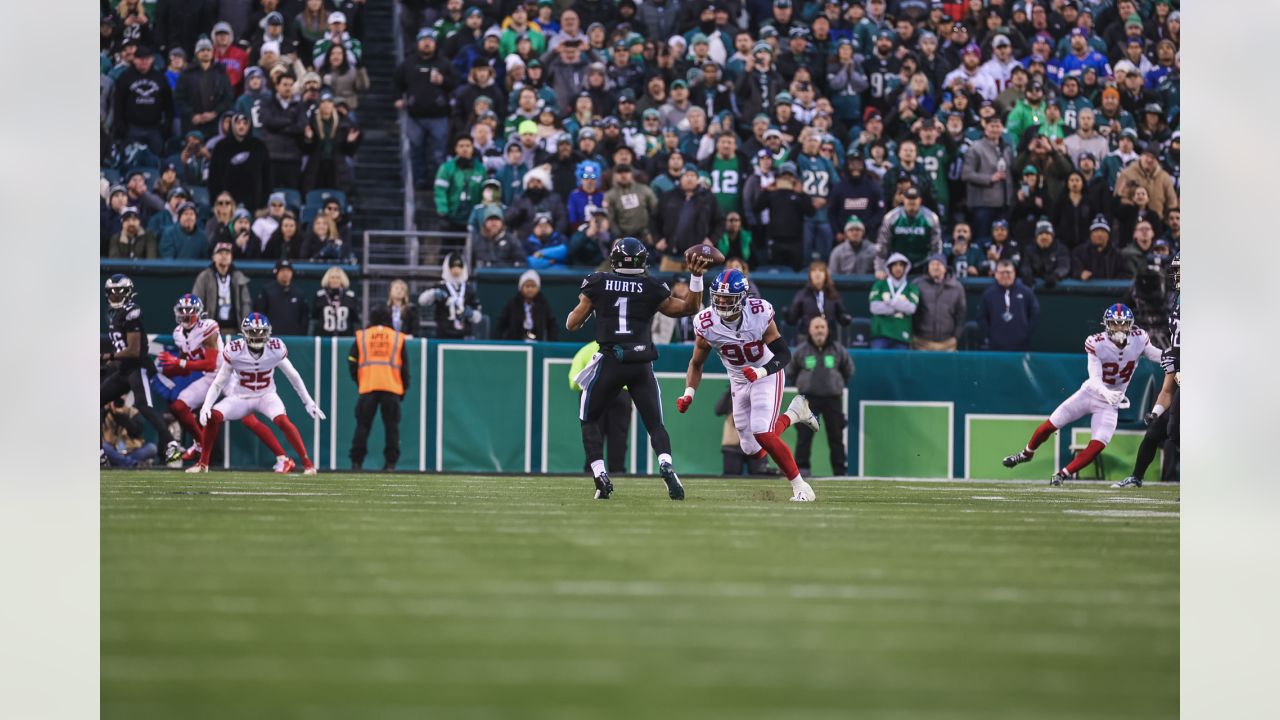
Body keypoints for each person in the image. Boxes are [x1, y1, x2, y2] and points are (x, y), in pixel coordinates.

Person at [565, 237, 711, 500]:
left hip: (610, 361)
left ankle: (600, 475)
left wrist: (590, 304)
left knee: (589, 419)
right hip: (641, 363)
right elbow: (690, 307)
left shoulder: (598, 282)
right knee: (655, 424)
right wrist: (696, 277)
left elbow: (572, 324)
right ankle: (666, 463)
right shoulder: (652, 286)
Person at [676, 268, 821, 502]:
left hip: (765, 373)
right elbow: (696, 362)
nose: (721, 302)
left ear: (741, 298)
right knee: (754, 450)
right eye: (718, 297)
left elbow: (784, 355)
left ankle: (801, 486)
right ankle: (795, 413)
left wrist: (760, 371)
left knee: (762, 431)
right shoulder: (706, 323)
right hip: (738, 380)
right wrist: (689, 393)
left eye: (727, 298)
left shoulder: (759, 313)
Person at [1003, 304, 1163, 486]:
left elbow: (1157, 355)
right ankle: (1026, 453)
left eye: (1123, 324)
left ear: (1130, 325)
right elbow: (1094, 378)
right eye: (1115, 324)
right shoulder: (1097, 342)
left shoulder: (1139, 338)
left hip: (1110, 404)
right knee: (1051, 424)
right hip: (1090, 393)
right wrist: (1106, 392)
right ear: (1107, 324)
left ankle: (1062, 475)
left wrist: (1175, 355)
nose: (1119, 328)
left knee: (1098, 444)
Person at [155, 294, 295, 470]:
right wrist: (170, 367)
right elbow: (186, 365)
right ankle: (200, 444)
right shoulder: (178, 334)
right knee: (179, 407)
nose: (185, 316)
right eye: (182, 312)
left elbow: (210, 362)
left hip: (227, 377)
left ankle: (283, 457)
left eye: (188, 312)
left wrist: (178, 363)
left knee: (248, 420)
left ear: (197, 313)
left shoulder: (208, 327)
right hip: (208, 378)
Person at [189, 313, 326, 474]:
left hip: (265, 396)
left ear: (268, 332)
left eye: (261, 332)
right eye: (253, 332)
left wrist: (308, 401)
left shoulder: (275, 349)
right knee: (213, 417)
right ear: (244, 333)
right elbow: (219, 382)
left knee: (283, 421)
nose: (257, 336)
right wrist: (207, 405)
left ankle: (308, 464)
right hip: (240, 398)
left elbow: (293, 376)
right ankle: (203, 464)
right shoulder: (235, 350)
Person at [100, 275, 182, 465]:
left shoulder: (132, 311)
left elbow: (134, 350)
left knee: (144, 406)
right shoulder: (110, 312)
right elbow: (120, 346)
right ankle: (99, 453)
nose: (115, 295)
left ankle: (171, 444)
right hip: (123, 370)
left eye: (119, 291)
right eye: (111, 292)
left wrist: (109, 357)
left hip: (138, 367)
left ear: (128, 292)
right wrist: (110, 365)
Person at [1116, 255, 1180, 488]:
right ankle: (1136, 477)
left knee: (1177, 430)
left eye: (1180, 270)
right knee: (1156, 430)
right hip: (1180, 362)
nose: (1176, 275)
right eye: (1175, 270)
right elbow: (1167, 387)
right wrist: (1155, 412)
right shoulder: (1176, 300)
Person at [786, 315, 853, 477]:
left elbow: (848, 370)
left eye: (822, 327)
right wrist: (804, 385)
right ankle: (802, 470)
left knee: (836, 437)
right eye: (816, 327)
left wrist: (835, 384)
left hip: (832, 399)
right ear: (810, 330)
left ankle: (839, 472)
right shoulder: (801, 351)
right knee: (804, 436)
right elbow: (791, 371)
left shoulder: (838, 350)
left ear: (828, 329)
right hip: (808, 400)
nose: (819, 330)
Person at [346, 307, 410, 471]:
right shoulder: (397, 337)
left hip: (368, 386)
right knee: (391, 427)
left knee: (362, 426)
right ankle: (390, 463)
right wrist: (403, 389)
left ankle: (356, 462)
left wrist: (359, 380)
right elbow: (405, 367)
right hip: (392, 387)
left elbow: (352, 359)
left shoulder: (362, 336)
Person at [395, 28, 458, 190]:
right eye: (423, 40)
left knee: (438, 153)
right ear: (417, 43)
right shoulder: (408, 63)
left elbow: (455, 84)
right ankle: (418, 181)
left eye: (430, 40)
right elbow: (397, 83)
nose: (427, 43)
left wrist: (443, 81)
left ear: (435, 43)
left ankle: (439, 183)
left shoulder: (444, 63)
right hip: (415, 116)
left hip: (439, 116)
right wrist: (398, 99)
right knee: (416, 151)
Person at [568, 341, 630, 476]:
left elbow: (573, 383)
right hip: (621, 394)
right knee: (618, 438)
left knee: (592, 434)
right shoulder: (624, 348)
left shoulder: (585, 351)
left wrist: (592, 383)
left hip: (593, 394)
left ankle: (594, 473)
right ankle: (618, 472)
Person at [961, 115, 1015, 242]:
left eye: (998, 126)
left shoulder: (1006, 148)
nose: (995, 129)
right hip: (983, 205)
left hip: (1004, 204)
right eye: (992, 126)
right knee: (982, 240)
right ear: (985, 128)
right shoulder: (976, 148)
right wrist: (990, 178)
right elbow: (966, 174)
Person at [208, 113, 271, 211]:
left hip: (254, 203)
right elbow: (213, 177)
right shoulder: (221, 147)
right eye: (238, 123)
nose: (241, 126)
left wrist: (264, 204)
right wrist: (215, 202)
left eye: (245, 123)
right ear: (232, 125)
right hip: (226, 204)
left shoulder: (259, 146)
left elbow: (267, 176)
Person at [874, 186, 942, 276]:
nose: (911, 201)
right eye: (909, 198)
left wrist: (935, 267)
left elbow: (936, 248)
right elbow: (882, 246)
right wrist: (880, 268)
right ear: (904, 199)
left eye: (914, 198)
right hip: (897, 264)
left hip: (923, 264)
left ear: (920, 200)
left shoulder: (931, 218)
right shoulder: (891, 217)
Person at [978, 259, 1039, 351]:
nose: (1005, 275)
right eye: (1002, 272)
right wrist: (990, 335)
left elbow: (1035, 314)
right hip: (996, 346)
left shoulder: (1026, 292)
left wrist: (1026, 333)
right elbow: (981, 317)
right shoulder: (988, 294)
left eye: (1008, 272)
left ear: (1014, 273)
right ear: (996, 274)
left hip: (1022, 346)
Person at [419, 253, 484, 339]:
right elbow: (422, 301)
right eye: (453, 267)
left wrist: (471, 314)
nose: (456, 270)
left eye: (459, 267)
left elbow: (478, 317)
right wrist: (433, 293)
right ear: (447, 268)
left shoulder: (469, 289)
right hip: (443, 334)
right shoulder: (441, 286)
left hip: (464, 335)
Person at [192, 242, 253, 332]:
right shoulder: (204, 277)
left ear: (231, 257)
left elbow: (246, 304)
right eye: (220, 253)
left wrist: (245, 328)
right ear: (213, 257)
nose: (224, 257)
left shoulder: (238, 277)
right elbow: (197, 302)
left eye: (227, 254)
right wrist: (201, 328)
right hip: (210, 330)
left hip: (235, 329)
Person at [912, 254, 966, 352]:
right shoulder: (917, 284)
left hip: (947, 343)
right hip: (921, 342)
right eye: (932, 264)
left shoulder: (957, 287)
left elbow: (961, 315)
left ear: (945, 268)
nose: (935, 267)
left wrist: (955, 337)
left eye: (939, 264)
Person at [786, 261, 848, 343]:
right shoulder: (802, 295)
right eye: (814, 271)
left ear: (826, 275)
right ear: (810, 275)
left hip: (830, 338)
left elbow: (842, 317)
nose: (817, 274)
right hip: (806, 339)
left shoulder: (833, 295)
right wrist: (787, 314)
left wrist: (845, 318)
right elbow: (792, 319)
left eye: (821, 271)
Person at [868, 253, 918, 350]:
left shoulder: (912, 288)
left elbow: (911, 308)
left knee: (900, 365)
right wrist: (899, 308)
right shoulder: (879, 285)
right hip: (880, 334)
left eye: (901, 265)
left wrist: (890, 302)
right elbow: (874, 308)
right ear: (889, 267)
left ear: (905, 268)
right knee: (877, 363)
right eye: (895, 265)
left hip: (902, 335)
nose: (898, 268)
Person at [496, 270, 558, 341]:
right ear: (521, 287)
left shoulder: (543, 304)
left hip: (537, 343)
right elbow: (501, 324)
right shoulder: (513, 304)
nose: (530, 289)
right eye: (527, 286)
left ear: (538, 288)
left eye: (533, 286)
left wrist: (550, 344)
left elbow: (552, 325)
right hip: (517, 343)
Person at [253, 259, 309, 336]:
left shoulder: (298, 293)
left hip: (294, 338)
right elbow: (259, 314)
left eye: (288, 271)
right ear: (277, 272)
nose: (286, 273)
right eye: (282, 270)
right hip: (272, 337)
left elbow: (304, 317)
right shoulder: (267, 291)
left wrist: (300, 333)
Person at [1072, 216, 1131, 281]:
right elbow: (1075, 270)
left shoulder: (1118, 254)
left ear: (1108, 235)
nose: (1099, 234)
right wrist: (1080, 274)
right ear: (1090, 234)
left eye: (1103, 231)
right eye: (1096, 231)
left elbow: (1126, 274)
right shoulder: (1079, 252)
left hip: (1111, 290)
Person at [1021, 220, 1071, 288]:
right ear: (1036, 237)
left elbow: (1064, 267)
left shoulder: (1061, 248)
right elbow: (1025, 265)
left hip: (1055, 286)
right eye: (1041, 234)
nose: (1044, 237)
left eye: (1047, 234)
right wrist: (1027, 275)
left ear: (1052, 236)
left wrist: (1055, 275)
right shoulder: (1029, 249)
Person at [312, 266, 360, 336]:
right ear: (328, 279)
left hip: (345, 337)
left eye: (338, 278)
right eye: (332, 277)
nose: (335, 280)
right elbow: (314, 319)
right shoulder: (320, 295)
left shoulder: (350, 296)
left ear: (342, 280)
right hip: (324, 338)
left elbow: (355, 320)